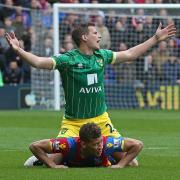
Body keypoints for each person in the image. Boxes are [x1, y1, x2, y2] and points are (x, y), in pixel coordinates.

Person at [5, 21, 176, 163]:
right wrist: (19, 50)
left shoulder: (102, 55)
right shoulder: (68, 59)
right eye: (95, 33)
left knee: (132, 162)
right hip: (73, 123)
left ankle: (98, 157)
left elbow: (130, 54)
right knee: (54, 159)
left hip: (101, 120)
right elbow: (39, 62)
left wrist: (155, 38)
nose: (99, 36)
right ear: (84, 37)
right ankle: (50, 159)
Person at [25, 123, 143, 168]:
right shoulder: (68, 144)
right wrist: (52, 166)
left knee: (133, 164)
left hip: (102, 157)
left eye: (100, 142)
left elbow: (138, 145)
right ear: (83, 144)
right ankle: (40, 159)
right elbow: (34, 146)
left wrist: (121, 165)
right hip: (68, 157)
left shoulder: (107, 143)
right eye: (96, 144)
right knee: (54, 159)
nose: (100, 146)